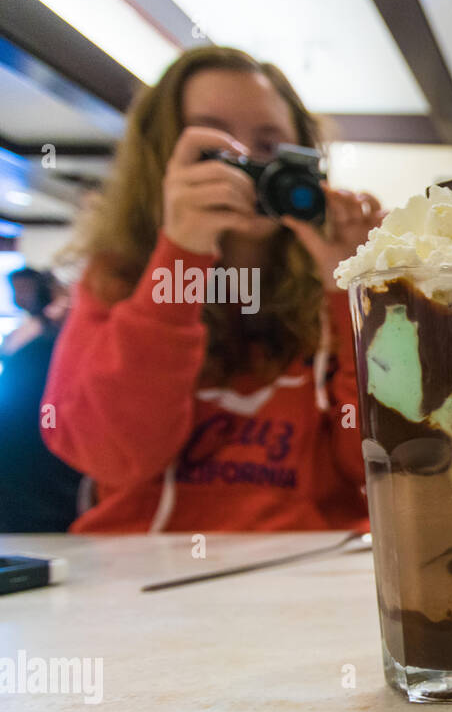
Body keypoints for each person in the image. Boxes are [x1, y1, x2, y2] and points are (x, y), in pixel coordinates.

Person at [42, 46, 384, 533]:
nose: (242, 169)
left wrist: (356, 292)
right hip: (147, 578)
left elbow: (374, 461)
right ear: (163, 159)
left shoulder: (332, 288)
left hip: (311, 572)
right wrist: (180, 258)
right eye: (216, 151)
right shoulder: (117, 279)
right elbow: (112, 454)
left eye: (269, 148)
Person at [0, 268, 82, 531]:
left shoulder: (48, 337)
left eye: (24, 289)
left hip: (46, 447)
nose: (19, 296)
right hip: (23, 444)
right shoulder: (30, 334)